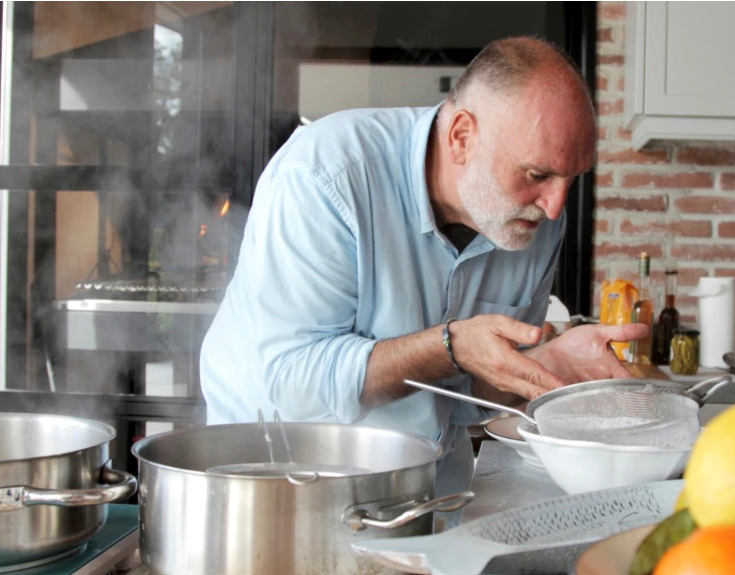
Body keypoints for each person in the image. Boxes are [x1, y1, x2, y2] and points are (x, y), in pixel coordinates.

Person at [199, 36, 647, 507]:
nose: (555, 208)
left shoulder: (536, 220)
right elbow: (291, 386)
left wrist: (540, 365)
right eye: (537, 175)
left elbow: (467, 399)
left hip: (426, 493)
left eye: (571, 178)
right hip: (279, 491)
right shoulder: (325, 176)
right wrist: (450, 346)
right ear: (461, 137)